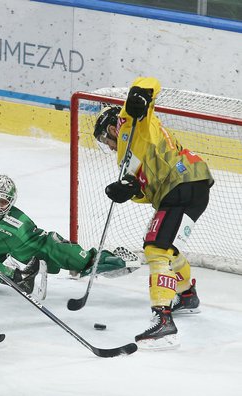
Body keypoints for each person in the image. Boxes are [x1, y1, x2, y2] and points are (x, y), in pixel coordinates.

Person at [95, 77, 214, 349]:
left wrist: (140, 94)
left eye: (105, 138)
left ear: (113, 127)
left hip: (181, 182)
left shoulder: (131, 125)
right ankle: (186, 295)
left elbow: (149, 82)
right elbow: (144, 191)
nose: (108, 144)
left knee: (155, 249)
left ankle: (164, 321)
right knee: (166, 247)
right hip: (189, 186)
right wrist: (129, 190)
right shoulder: (124, 158)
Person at [0, 175, 131, 293]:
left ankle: (103, 260)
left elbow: (43, 244)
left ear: (11, 203)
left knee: (55, 247)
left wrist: (84, 260)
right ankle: (5, 276)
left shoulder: (14, 222)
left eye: (3, 202)